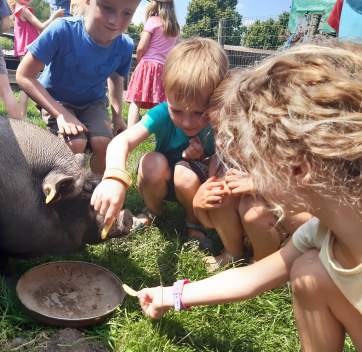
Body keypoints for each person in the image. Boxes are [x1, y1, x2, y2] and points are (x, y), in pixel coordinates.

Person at [137, 40, 362, 351]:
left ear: (298, 168)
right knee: (309, 272)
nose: (242, 166)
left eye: (257, 159)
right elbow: (252, 279)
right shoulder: (322, 233)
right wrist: (171, 295)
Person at [91, 38, 229, 250]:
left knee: (185, 172)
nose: (187, 122)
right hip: (162, 180)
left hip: (195, 185)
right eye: (177, 111)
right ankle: (154, 210)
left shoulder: (219, 122)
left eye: (200, 113)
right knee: (150, 161)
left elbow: (225, 162)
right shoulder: (162, 113)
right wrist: (114, 177)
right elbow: (122, 140)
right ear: (165, 94)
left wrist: (201, 159)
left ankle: (194, 220)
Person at [16, 0, 141, 174]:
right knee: (75, 143)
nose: (115, 20)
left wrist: (118, 116)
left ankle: (96, 192)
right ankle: (64, 188)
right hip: (56, 100)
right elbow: (24, 75)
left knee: (103, 143)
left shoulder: (125, 45)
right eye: (107, 7)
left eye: (127, 13)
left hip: (94, 101)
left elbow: (116, 77)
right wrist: (61, 114)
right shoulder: (61, 30)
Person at [193, 167, 312, 268]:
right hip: (252, 234)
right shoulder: (225, 162)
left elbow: (311, 226)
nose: (221, 142)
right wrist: (197, 205)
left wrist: (265, 187)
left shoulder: (297, 163)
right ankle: (233, 254)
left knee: (254, 210)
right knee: (220, 190)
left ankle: (262, 265)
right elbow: (211, 225)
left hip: (293, 236)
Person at [125, 0, 180, 128]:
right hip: (163, 68)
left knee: (135, 100)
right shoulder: (175, 27)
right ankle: (157, 134)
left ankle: (131, 131)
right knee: (159, 103)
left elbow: (141, 47)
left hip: (147, 64)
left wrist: (140, 59)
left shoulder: (153, 21)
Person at [7, 0, 65, 119]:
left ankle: (24, 113)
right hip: (30, 49)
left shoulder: (19, 10)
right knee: (30, 79)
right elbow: (42, 27)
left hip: (25, 48)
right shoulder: (23, 10)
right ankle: (24, 113)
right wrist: (55, 16)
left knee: (28, 80)